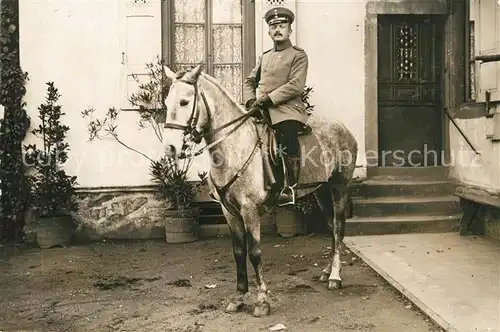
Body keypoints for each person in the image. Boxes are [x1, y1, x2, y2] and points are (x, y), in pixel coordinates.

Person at [242, 6, 309, 206]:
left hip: (287, 110)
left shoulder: (298, 55)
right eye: (273, 26)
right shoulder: (265, 57)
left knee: (286, 136)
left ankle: (287, 187)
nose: (277, 29)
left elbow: (296, 86)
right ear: (269, 31)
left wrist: (268, 99)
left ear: (290, 29)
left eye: (282, 25)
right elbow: (249, 81)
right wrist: (250, 101)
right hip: (260, 110)